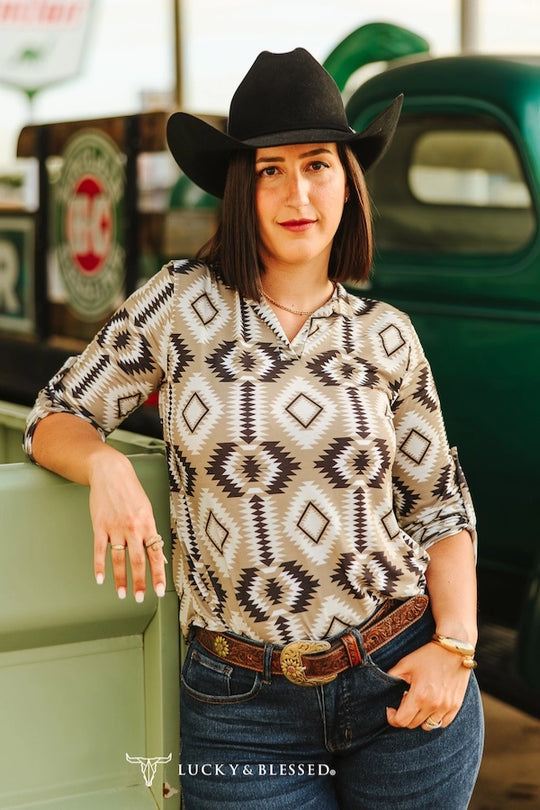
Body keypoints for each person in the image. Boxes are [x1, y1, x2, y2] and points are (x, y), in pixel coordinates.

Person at [24, 48, 484, 809]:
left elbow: (441, 506)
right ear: (242, 185)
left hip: (399, 681)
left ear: (348, 183)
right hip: (241, 710)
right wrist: (102, 466)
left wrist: (457, 648)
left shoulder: (387, 335)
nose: (296, 192)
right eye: (270, 169)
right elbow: (53, 417)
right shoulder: (179, 304)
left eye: (317, 165)